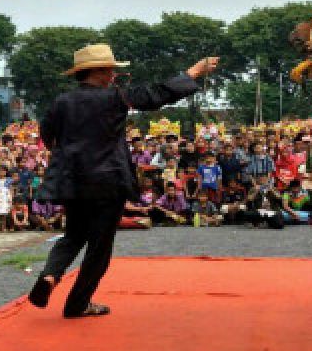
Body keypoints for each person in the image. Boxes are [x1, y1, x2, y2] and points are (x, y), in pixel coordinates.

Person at [29, 44, 218, 317]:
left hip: (73, 180)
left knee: (73, 236)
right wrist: (194, 72)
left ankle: (50, 275)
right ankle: (77, 304)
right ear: (103, 71)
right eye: (112, 70)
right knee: (99, 247)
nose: (114, 74)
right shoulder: (116, 97)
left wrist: (72, 154)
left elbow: (48, 136)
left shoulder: (61, 102)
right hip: (108, 180)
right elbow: (157, 94)